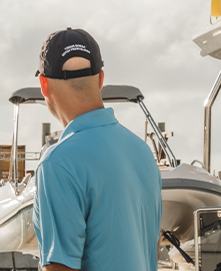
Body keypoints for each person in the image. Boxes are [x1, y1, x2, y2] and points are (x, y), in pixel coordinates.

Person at [31, 28, 161, 271]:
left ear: (44, 84)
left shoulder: (58, 164)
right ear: (101, 79)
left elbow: (60, 267)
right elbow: (151, 250)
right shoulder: (143, 153)